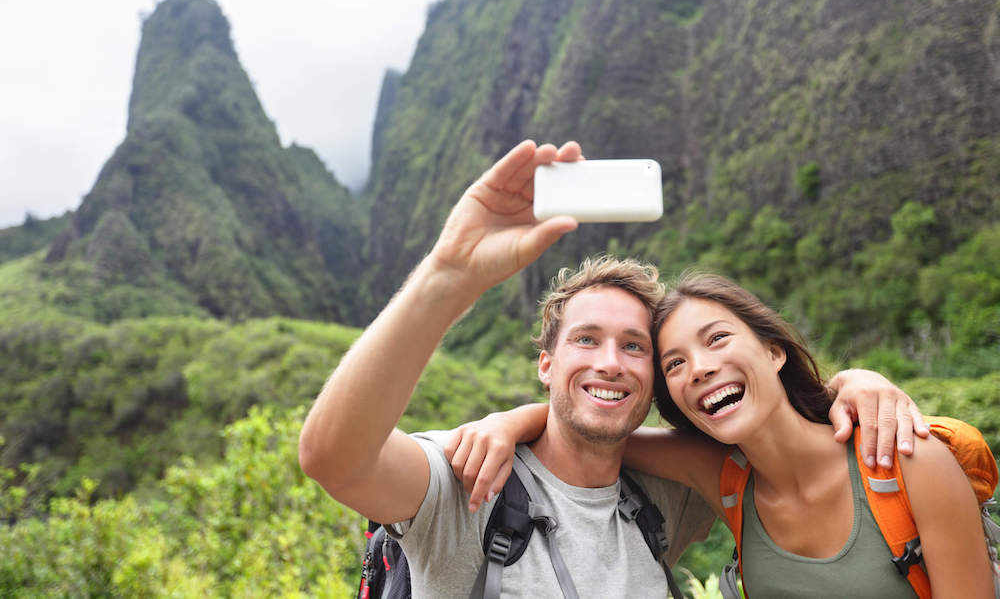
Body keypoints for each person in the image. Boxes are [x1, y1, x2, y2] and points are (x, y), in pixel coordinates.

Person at [299, 141, 925, 598]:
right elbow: (335, 457)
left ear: (656, 379)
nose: (609, 362)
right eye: (586, 340)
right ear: (547, 363)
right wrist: (448, 276)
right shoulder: (471, 479)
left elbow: (781, 438)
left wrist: (852, 383)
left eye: (635, 347)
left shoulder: (672, 490)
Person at [451, 271, 993, 597]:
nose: (701, 368)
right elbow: (590, 427)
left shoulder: (904, 460)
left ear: (774, 351)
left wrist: (858, 380)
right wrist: (508, 422)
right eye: (675, 363)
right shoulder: (724, 478)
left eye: (717, 340)